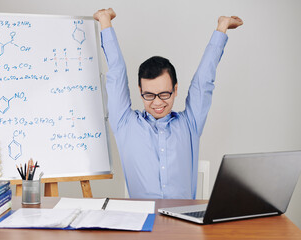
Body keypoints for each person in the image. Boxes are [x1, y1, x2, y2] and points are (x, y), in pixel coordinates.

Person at [93, 8, 243, 199]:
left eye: (164, 94)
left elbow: (203, 83)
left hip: (184, 223)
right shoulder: (125, 124)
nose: (157, 102)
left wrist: (221, 28)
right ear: (140, 91)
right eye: (149, 95)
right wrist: (105, 21)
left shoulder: (190, 124)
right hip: (143, 223)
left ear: (175, 89)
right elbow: (117, 73)